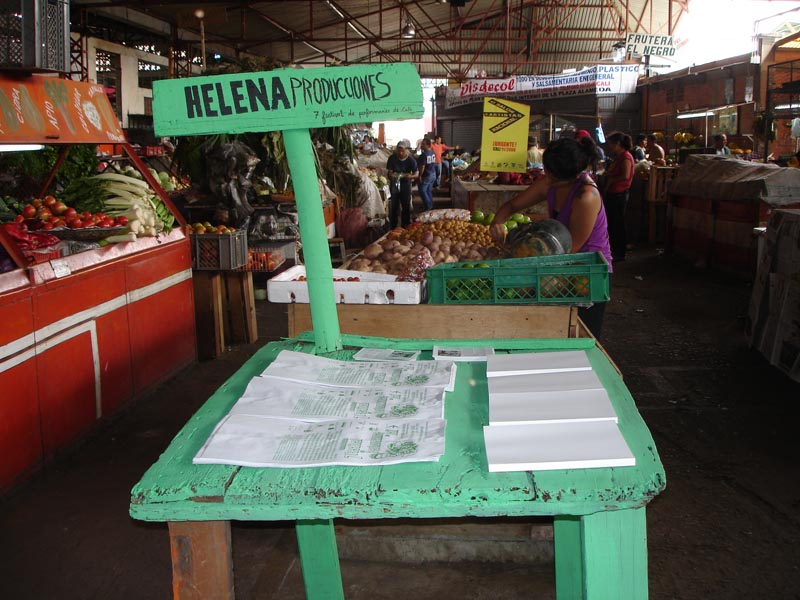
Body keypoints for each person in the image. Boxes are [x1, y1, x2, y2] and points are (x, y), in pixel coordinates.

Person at [489, 137, 612, 337]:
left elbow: (570, 250)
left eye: (549, 174)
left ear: (566, 176)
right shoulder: (549, 182)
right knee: (549, 330)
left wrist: (521, 258)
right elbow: (512, 206)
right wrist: (498, 223)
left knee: (579, 336)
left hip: (586, 272)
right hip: (557, 265)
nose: (545, 177)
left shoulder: (586, 197)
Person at [603, 132, 635, 262]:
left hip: (619, 194)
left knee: (618, 223)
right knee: (613, 222)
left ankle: (620, 252)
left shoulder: (626, 157)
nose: (610, 147)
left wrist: (611, 179)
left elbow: (626, 175)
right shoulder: (619, 156)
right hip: (614, 193)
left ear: (618, 144)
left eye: (611, 144)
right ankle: (614, 250)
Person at [386, 140, 419, 229]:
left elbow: (416, 174)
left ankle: (405, 225)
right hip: (394, 185)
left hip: (406, 185)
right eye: (399, 150)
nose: (400, 152)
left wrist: (410, 176)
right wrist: (391, 176)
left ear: (407, 150)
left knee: (406, 205)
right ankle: (393, 226)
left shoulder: (411, 160)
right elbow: (389, 172)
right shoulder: (392, 158)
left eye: (402, 150)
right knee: (394, 205)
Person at [417, 137, 437, 212]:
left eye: (423, 144)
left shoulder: (424, 155)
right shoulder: (432, 152)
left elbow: (422, 166)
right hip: (433, 174)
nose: (421, 145)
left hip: (427, 175)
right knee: (428, 191)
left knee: (422, 191)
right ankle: (430, 206)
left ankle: (428, 207)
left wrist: (420, 176)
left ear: (428, 145)